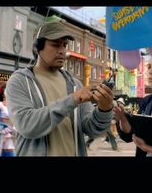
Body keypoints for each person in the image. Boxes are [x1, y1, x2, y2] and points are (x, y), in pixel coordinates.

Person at [6, 21, 114, 156]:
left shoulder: (75, 84)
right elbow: (26, 125)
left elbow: (92, 130)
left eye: (64, 45)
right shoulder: (19, 81)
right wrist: (73, 99)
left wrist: (104, 109)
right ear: (37, 48)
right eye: (55, 45)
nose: (62, 51)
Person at [0, 83, 15, 157]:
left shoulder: (13, 104)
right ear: (3, 93)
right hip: (4, 133)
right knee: (10, 152)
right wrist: (2, 129)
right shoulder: (0, 105)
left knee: (5, 153)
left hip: (12, 132)